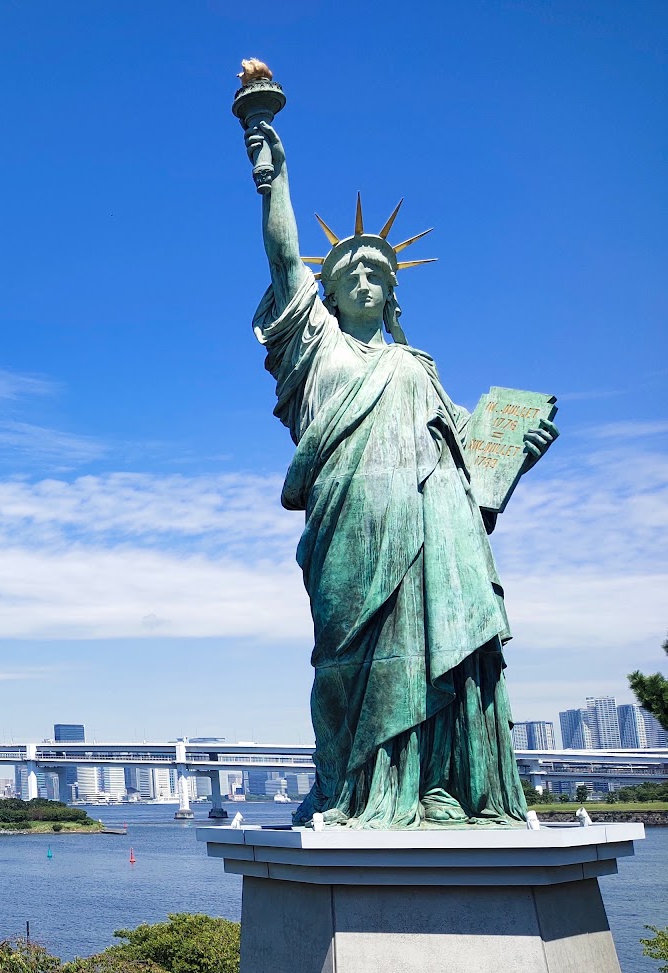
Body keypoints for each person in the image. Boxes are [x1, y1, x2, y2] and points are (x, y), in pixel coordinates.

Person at [245, 119, 557, 828]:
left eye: (377, 274)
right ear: (326, 293)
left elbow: (473, 465)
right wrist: (272, 175)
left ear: (392, 294)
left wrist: (518, 452)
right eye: (348, 273)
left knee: (428, 653)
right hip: (347, 527)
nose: (364, 278)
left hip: (431, 532)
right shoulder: (313, 346)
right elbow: (284, 256)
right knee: (344, 666)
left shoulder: (417, 368)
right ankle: (348, 789)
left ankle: (431, 788)